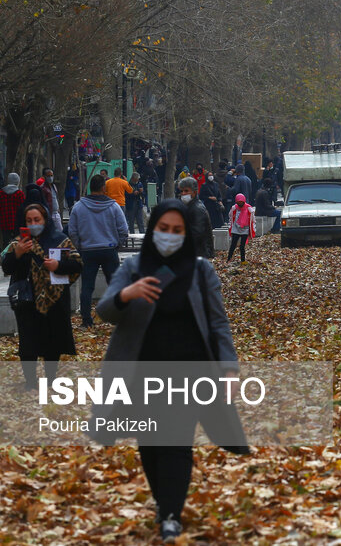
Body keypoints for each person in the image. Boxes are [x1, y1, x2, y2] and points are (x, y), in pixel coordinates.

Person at [95, 200, 248, 542]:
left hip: (190, 373)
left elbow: (218, 322)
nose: (169, 236)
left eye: (177, 230)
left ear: (186, 234)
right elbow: (105, 310)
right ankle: (163, 505)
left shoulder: (200, 270)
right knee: (150, 443)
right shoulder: (135, 267)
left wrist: (229, 369)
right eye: (164, 229)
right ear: (153, 230)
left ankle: (170, 516)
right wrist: (127, 294)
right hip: (141, 375)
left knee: (177, 441)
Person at [2, 203, 81, 389]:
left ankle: (51, 380)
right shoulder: (17, 243)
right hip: (27, 302)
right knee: (28, 345)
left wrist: (58, 266)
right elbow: (7, 268)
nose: (33, 224)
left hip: (54, 301)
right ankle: (30, 382)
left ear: (45, 220)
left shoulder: (60, 240)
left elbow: (77, 265)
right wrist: (18, 253)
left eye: (37, 220)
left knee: (51, 344)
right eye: (29, 220)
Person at [68, 174, 129, 329]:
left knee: (87, 287)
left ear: (90, 188)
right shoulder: (114, 206)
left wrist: (80, 246)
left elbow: (72, 231)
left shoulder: (78, 207)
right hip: (109, 250)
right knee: (115, 285)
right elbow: (124, 229)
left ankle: (87, 320)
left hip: (88, 251)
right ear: (104, 188)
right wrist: (118, 244)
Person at [178, 177, 214, 258]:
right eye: (181, 191)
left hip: (199, 253)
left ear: (194, 192)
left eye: (186, 191)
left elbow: (197, 233)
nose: (183, 193)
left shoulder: (197, 209)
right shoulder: (189, 206)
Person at [0, 172, 25, 249]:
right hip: (17, 223)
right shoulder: (19, 194)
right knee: (17, 242)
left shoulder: (1, 193)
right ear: (18, 181)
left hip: (4, 222)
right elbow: (23, 208)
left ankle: (5, 258)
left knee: (6, 242)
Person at [227, 193, 256, 263]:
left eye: (241, 202)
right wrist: (230, 226)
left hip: (245, 229)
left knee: (242, 246)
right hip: (236, 228)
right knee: (233, 245)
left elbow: (253, 220)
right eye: (238, 202)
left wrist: (253, 229)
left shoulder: (249, 209)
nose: (240, 203)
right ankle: (229, 258)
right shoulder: (234, 208)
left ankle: (243, 260)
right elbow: (230, 217)